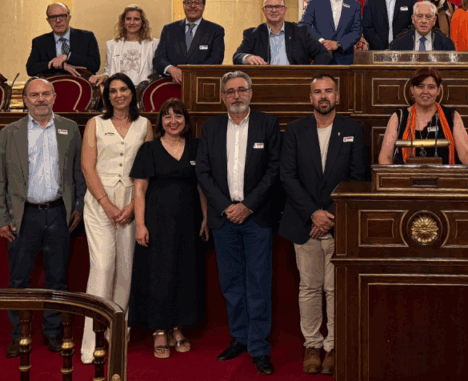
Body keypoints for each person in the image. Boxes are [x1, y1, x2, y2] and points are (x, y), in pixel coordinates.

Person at [279, 73, 368, 375]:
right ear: (310, 98)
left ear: (337, 96)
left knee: (334, 288)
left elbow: (357, 177)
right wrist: (313, 214)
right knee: (309, 287)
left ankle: (333, 346)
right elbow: (287, 176)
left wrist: (329, 215)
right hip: (304, 223)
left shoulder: (353, 130)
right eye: (317, 92)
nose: (323, 96)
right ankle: (312, 344)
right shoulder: (295, 130)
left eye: (328, 91)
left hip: (338, 222)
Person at [0, 78, 85, 358]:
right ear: (25, 100)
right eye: (34, 95)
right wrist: (1, 218)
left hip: (58, 214)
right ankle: (19, 335)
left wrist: (78, 205)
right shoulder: (10, 132)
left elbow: (78, 173)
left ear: (54, 97)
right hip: (24, 217)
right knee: (19, 279)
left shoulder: (70, 128)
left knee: (57, 278)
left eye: (45, 94)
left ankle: (53, 333)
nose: (40, 99)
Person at [196, 71, 282, 376]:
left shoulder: (267, 124)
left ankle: (258, 347)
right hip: (224, 218)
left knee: (258, 281)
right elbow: (203, 171)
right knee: (231, 283)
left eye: (242, 90)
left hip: (256, 216)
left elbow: (274, 169)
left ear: (251, 93)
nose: (236, 96)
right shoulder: (211, 128)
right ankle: (240, 338)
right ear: (222, 96)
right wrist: (226, 207)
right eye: (230, 91)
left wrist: (248, 206)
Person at [79, 73, 153, 365]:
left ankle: (117, 334)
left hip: (133, 204)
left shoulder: (144, 125)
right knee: (102, 268)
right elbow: (87, 167)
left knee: (126, 271)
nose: (119, 95)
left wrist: (134, 205)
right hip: (100, 203)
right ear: (106, 96)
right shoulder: (95, 124)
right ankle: (91, 341)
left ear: (132, 93)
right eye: (113, 91)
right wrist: (107, 204)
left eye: (124, 89)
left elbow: (148, 168)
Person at [129, 98, 209, 358]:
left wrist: (206, 218)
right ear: (160, 121)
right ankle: (159, 330)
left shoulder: (197, 147)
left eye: (178, 116)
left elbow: (201, 186)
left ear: (186, 120)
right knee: (159, 275)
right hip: (157, 222)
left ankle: (177, 327)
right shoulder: (149, 149)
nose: (173, 121)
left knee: (185, 274)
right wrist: (140, 225)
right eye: (168, 116)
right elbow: (139, 189)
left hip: (189, 222)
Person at [376, 67, 468, 184]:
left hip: (445, 183)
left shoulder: (452, 116)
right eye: (420, 86)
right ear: (412, 90)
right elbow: (385, 157)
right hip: (406, 184)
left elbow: (466, 151)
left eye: (431, 87)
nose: (425, 91)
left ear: (438, 90)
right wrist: (392, 181)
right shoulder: (398, 117)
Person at [233, 0, 332, 65]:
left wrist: (310, 74)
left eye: (278, 7)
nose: (274, 10)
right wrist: (247, 58)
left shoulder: (301, 32)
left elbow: (324, 54)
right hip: (265, 81)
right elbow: (237, 56)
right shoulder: (253, 34)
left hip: (295, 81)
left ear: (285, 10)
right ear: (263, 10)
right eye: (269, 7)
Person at [152, 0, 226, 83]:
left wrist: (190, 74)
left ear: (203, 6)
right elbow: (159, 58)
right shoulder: (169, 29)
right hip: (171, 83)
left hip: (201, 84)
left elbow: (216, 59)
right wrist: (172, 69)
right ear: (184, 5)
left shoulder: (215, 30)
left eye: (197, 3)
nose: (193, 6)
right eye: (189, 2)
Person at [300, 0, 363, 65]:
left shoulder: (354, 5)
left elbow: (356, 32)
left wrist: (338, 44)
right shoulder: (314, 1)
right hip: (319, 56)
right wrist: (322, 41)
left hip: (344, 60)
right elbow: (304, 25)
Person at [90, 5, 160, 87]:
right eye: (128, 19)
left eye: (136, 19)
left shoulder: (153, 44)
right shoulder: (112, 45)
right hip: (119, 91)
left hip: (144, 90)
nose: (132, 23)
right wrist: (102, 77)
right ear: (123, 22)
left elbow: (157, 73)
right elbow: (108, 72)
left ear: (142, 22)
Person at [26, 3, 101, 77]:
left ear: (69, 17)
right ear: (48, 20)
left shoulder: (86, 37)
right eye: (53, 17)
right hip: (52, 83)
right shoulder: (40, 42)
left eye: (62, 16)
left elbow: (95, 65)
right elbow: (31, 69)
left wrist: (68, 56)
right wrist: (57, 65)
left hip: (80, 82)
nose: (58, 20)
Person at [388, 1, 456, 51]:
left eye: (428, 17)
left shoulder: (446, 44)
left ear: (434, 20)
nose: (423, 21)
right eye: (419, 16)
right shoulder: (398, 44)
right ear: (413, 19)